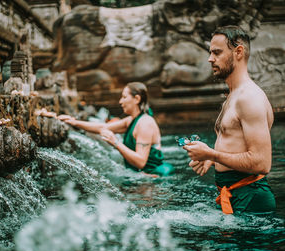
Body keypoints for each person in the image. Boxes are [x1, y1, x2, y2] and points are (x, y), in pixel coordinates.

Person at [183, 25, 276, 214]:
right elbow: (237, 145)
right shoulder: (233, 96)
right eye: (211, 53)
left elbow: (261, 163)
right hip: (234, 195)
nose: (210, 59)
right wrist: (212, 160)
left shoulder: (249, 98)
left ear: (238, 52)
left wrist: (212, 154)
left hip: (251, 199)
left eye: (217, 53)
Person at [58, 82, 175, 177]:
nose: (120, 102)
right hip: (141, 178)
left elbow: (140, 162)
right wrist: (74, 122)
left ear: (137, 99)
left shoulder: (145, 123)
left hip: (153, 181)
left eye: (124, 97)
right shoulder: (131, 120)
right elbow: (102, 127)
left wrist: (115, 142)